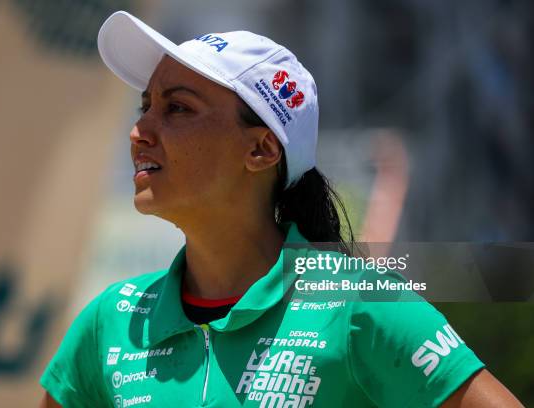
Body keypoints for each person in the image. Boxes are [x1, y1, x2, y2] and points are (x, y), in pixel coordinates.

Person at [39, 11, 524, 408]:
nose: (139, 130)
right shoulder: (112, 319)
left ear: (262, 151)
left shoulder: (358, 304)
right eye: (144, 106)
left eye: (178, 108)